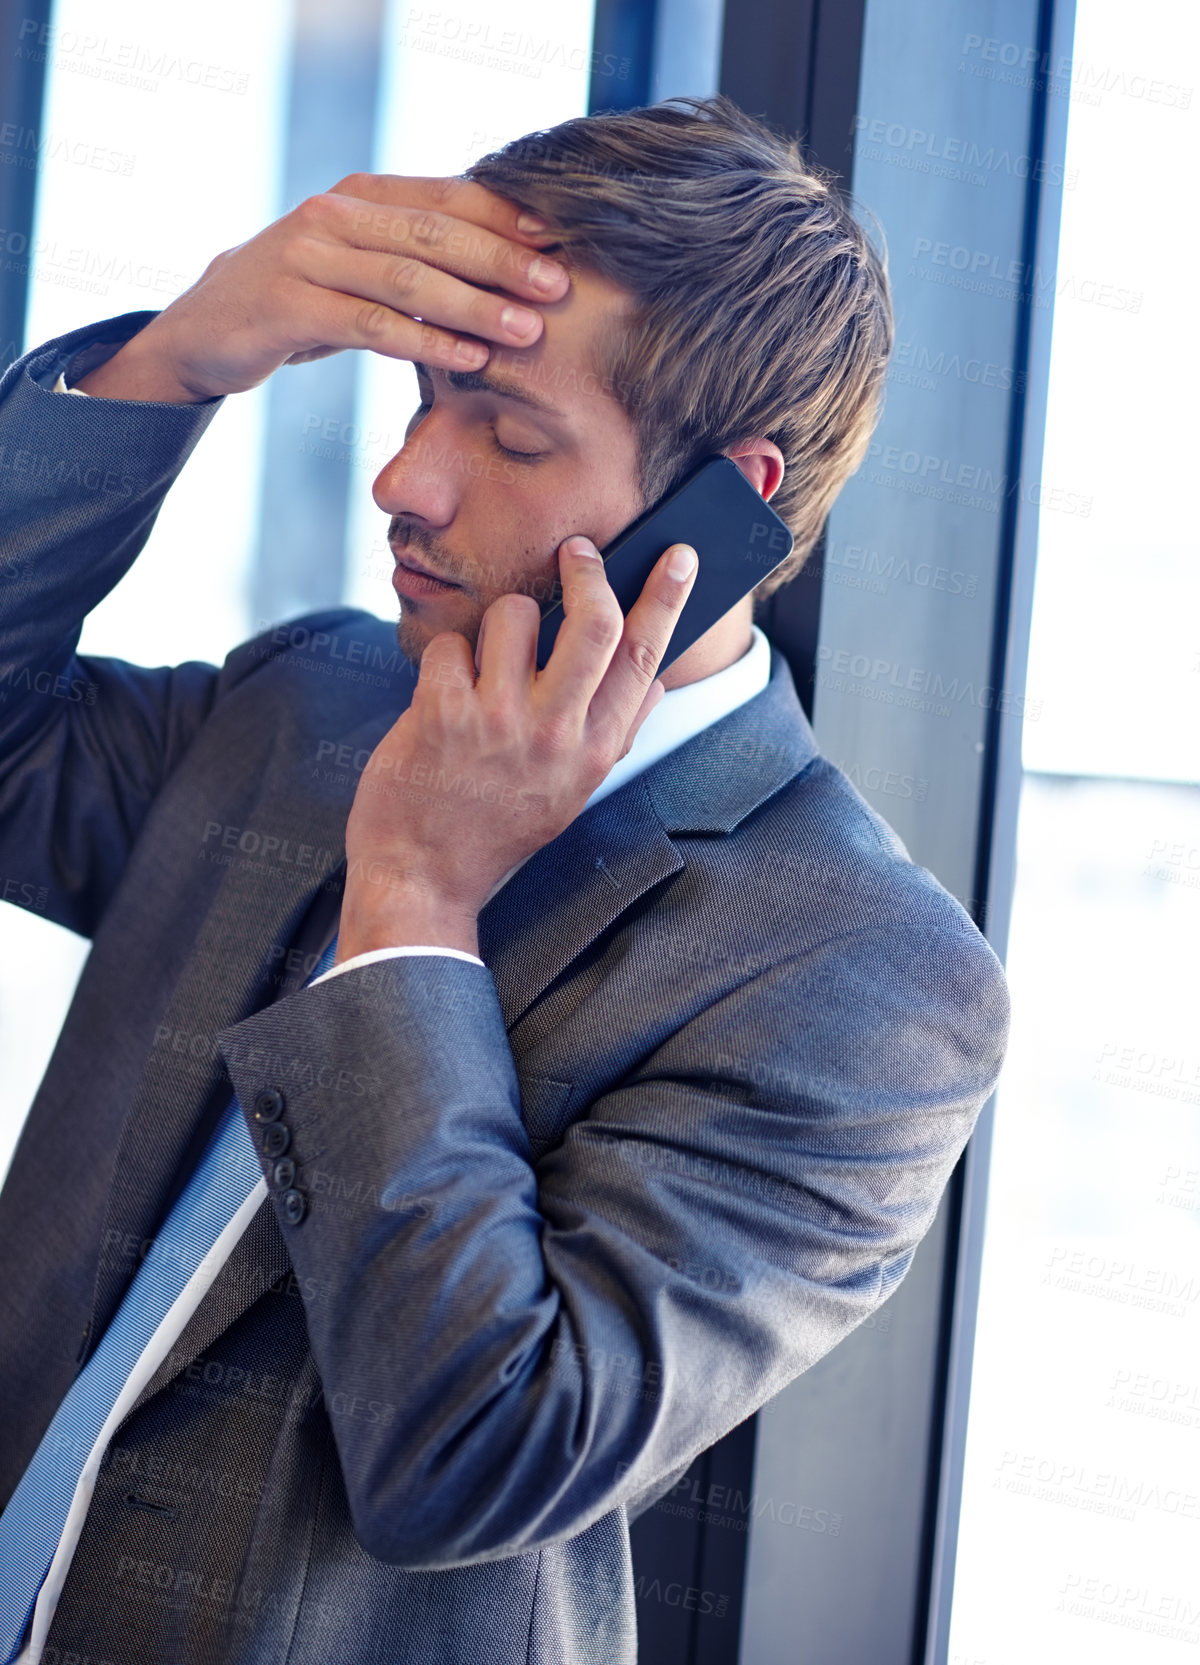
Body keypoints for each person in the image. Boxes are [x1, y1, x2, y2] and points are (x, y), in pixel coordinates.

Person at [0, 96, 1009, 1665]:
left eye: (511, 432)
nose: (404, 479)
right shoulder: (312, 703)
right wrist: (179, 356)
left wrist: (413, 910)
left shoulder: (864, 982)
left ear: (727, 507)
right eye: (421, 398)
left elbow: (477, 1446)